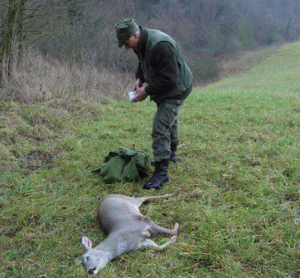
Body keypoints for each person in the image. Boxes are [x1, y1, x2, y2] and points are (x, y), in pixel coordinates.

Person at [115, 18, 193, 190]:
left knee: (160, 127)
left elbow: (170, 80)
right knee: (168, 121)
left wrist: (147, 91)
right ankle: (171, 154)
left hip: (177, 88)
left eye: (127, 43)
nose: (127, 48)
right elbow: (143, 63)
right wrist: (139, 80)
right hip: (165, 87)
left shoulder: (160, 46)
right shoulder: (140, 44)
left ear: (135, 34)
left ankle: (161, 172)